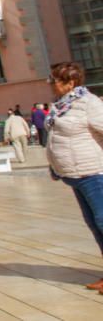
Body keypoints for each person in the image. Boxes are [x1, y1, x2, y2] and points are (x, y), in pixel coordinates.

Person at [44, 62, 103, 292]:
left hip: (93, 173)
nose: (52, 85)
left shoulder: (89, 103)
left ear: (71, 82)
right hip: (74, 175)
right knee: (94, 224)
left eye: (55, 81)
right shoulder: (62, 106)